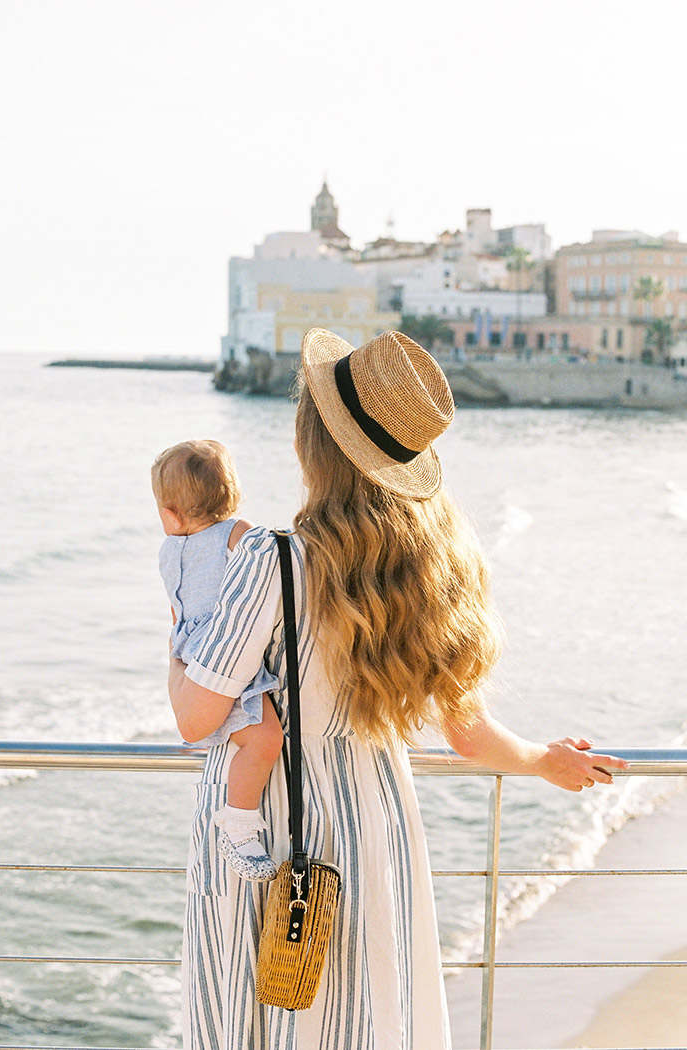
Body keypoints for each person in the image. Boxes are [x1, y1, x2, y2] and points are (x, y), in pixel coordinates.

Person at [169, 328, 626, 1049]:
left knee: (263, 1012)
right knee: (367, 1011)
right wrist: (543, 759)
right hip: (376, 826)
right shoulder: (432, 571)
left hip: (273, 833)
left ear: (311, 441)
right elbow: (468, 733)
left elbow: (196, 718)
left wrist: (181, 621)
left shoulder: (272, 560)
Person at [152, 439, 283, 880]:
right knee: (265, 739)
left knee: (253, 738)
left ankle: (236, 817)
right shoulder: (238, 532)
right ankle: (238, 820)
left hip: (196, 653)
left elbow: (177, 613)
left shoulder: (169, 550)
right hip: (227, 655)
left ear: (170, 513)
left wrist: (180, 658)